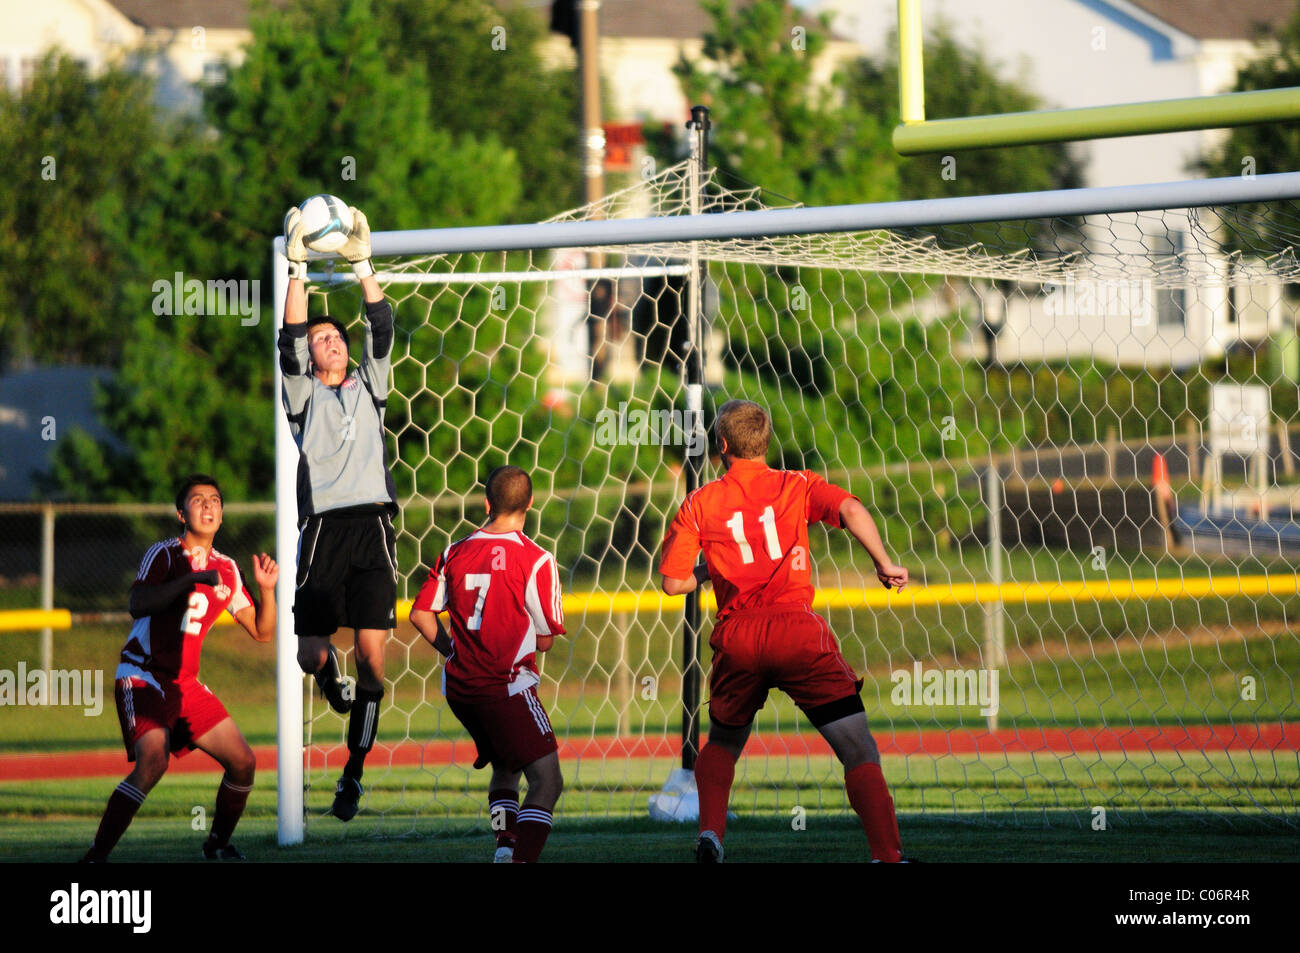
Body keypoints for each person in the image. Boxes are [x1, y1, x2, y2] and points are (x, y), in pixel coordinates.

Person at [658, 399, 915, 863]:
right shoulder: (796, 485)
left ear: (722, 445)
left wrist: (710, 571)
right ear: (766, 441)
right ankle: (886, 856)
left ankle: (712, 835)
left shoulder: (700, 501)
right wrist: (884, 562)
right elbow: (852, 510)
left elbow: (673, 583)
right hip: (796, 630)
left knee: (722, 743)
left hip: (738, 637)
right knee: (858, 749)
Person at [81, 474, 277, 862]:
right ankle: (95, 857)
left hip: (184, 685)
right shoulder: (165, 554)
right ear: (180, 513)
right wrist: (189, 580)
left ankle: (217, 846)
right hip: (143, 675)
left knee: (243, 763)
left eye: (215, 500)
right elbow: (137, 603)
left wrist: (267, 590)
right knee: (154, 761)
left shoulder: (229, 569)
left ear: (222, 515)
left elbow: (261, 631)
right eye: (198, 499)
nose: (208, 505)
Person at [280, 203, 399, 822]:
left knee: (374, 665)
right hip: (323, 529)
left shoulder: (370, 386)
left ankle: (352, 776)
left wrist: (361, 265)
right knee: (309, 652)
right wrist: (297, 269)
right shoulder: (303, 398)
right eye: (320, 337)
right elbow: (289, 342)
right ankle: (329, 686)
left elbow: (381, 323)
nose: (327, 340)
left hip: (373, 526)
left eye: (335, 336)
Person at [409, 466, 565, 863]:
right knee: (547, 780)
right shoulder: (537, 560)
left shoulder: (454, 551)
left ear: (486, 503)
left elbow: (421, 615)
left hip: (461, 689)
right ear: (531, 503)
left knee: (506, 765)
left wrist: (452, 652)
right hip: (507, 686)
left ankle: (504, 848)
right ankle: (520, 859)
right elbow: (545, 639)